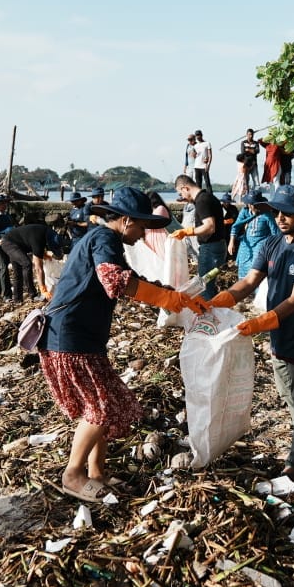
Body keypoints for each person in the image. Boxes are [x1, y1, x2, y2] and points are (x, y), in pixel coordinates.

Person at [40, 187, 207, 503]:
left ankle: (97, 472)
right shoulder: (106, 239)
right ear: (127, 221)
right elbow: (114, 281)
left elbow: (132, 278)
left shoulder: (101, 239)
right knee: (100, 407)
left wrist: (171, 292)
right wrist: (167, 298)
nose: (144, 234)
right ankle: (73, 474)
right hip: (71, 339)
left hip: (82, 338)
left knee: (106, 404)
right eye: (143, 226)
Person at [205, 184, 294, 480]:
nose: (281, 217)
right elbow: (249, 282)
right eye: (277, 212)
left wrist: (262, 321)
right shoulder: (271, 244)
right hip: (278, 335)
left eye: (288, 213)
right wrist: (217, 302)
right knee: (288, 393)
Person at [171, 174, 227, 299]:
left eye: (181, 193)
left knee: (205, 285)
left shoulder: (202, 201)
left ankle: (207, 312)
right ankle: (213, 309)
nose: (182, 196)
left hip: (210, 247)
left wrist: (187, 232)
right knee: (209, 283)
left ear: (185, 188)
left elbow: (209, 227)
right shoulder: (207, 197)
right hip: (217, 245)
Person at [0, 223, 62, 303]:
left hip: (13, 242)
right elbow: (38, 268)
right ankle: (33, 295)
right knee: (27, 264)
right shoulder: (39, 239)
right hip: (9, 243)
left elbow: (32, 244)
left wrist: (44, 254)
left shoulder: (46, 232)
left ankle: (17, 299)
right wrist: (43, 289)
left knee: (18, 272)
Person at [229, 190, 274, 279]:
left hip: (261, 242)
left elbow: (275, 232)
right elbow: (236, 226)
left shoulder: (267, 214)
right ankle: (243, 289)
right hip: (247, 241)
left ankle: (256, 289)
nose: (253, 206)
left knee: (256, 267)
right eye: (251, 204)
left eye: (255, 204)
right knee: (243, 265)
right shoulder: (245, 211)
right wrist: (231, 242)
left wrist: (273, 249)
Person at [240, 128, 260, 193]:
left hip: (254, 164)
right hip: (246, 165)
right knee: (246, 182)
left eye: (251, 134)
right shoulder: (243, 142)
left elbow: (257, 151)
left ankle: (255, 196)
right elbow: (243, 152)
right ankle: (247, 196)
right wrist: (252, 151)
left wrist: (248, 150)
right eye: (249, 134)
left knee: (257, 182)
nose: (250, 136)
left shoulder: (256, 143)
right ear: (247, 135)